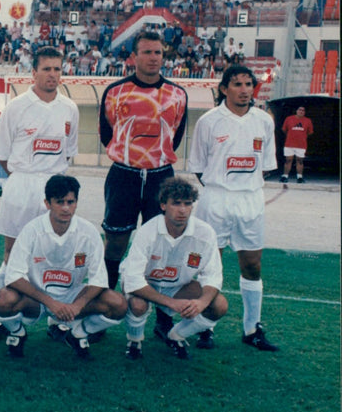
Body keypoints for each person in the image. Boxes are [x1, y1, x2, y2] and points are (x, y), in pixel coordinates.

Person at [0, 46, 79, 341]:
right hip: (22, 185)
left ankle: (58, 319)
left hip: (56, 187)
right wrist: (25, 179)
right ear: (34, 72)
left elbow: (69, 153)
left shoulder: (70, 108)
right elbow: (1, 155)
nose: (53, 75)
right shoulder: (16, 106)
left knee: (56, 254)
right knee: (12, 253)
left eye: (57, 69)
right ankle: (3, 318)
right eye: (47, 69)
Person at [188, 64, 279, 351]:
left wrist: (243, 187)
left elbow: (264, 167)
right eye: (237, 84)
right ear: (224, 89)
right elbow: (200, 169)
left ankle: (252, 329)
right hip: (216, 199)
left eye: (248, 84)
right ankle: (206, 326)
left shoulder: (264, 121)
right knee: (209, 265)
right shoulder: (209, 121)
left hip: (250, 200)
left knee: (252, 265)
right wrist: (223, 187)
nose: (243, 90)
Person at [99, 30, 188, 307]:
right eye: (147, 52)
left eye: (158, 52)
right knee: (115, 242)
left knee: (162, 248)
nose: (153, 58)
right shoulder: (115, 92)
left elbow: (176, 135)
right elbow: (107, 134)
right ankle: (103, 305)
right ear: (133, 57)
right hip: (124, 175)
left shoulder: (177, 94)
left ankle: (163, 316)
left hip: (161, 179)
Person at [0, 175, 126, 359]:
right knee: (4, 299)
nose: (66, 208)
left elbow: (99, 279)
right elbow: (13, 276)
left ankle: (78, 334)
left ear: (77, 203)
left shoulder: (89, 232)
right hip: (37, 299)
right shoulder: (31, 230)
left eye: (70, 202)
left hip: (72, 297)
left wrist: (77, 305)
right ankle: (18, 334)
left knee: (117, 304)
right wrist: (51, 303)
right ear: (47, 203)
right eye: (59, 202)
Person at [121, 177, 227, 360]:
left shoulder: (205, 233)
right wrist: (171, 303)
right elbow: (133, 279)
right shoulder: (148, 231)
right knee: (138, 305)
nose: (182, 210)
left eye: (187, 204)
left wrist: (201, 302)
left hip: (177, 286)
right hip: (146, 285)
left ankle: (176, 336)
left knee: (218, 305)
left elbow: (213, 276)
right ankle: (134, 341)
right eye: (176, 203)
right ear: (163, 205)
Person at [280, 106, 313, 183]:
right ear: (296, 111)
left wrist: (302, 137)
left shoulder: (308, 121)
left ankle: (299, 177)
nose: (301, 111)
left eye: (303, 110)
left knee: (300, 161)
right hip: (289, 144)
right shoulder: (289, 119)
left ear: (304, 112)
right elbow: (284, 130)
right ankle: (285, 176)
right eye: (300, 110)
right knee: (288, 160)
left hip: (301, 145)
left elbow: (310, 132)